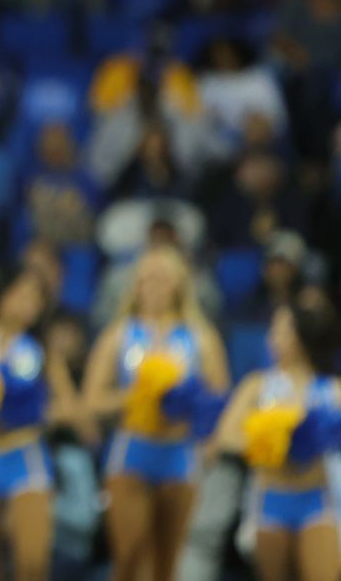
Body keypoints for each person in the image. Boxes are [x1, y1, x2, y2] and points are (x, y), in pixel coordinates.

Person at [82, 244, 231, 581]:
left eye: (162, 278)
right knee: (130, 555)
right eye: (146, 278)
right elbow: (92, 399)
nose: (153, 285)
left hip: (180, 454)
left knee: (167, 565)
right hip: (133, 451)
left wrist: (199, 424)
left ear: (179, 284)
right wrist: (136, 396)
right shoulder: (118, 334)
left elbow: (219, 400)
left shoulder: (201, 337)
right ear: (135, 285)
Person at [0, 267, 78, 581]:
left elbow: (70, 406)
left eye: (36, 298)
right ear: (0, 295)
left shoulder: (41, 349)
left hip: (23, 455)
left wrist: (37, 413)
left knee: (32, 565)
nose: (28, 303)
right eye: (21, 294)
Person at [213, 302, 339, 581]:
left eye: (281, 331)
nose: (272, 339)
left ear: (303, 336)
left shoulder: (331, 389)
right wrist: (272, 440)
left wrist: (323, 437)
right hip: (270, 501)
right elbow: (225, 436)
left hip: (317, 502)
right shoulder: (257, 385)